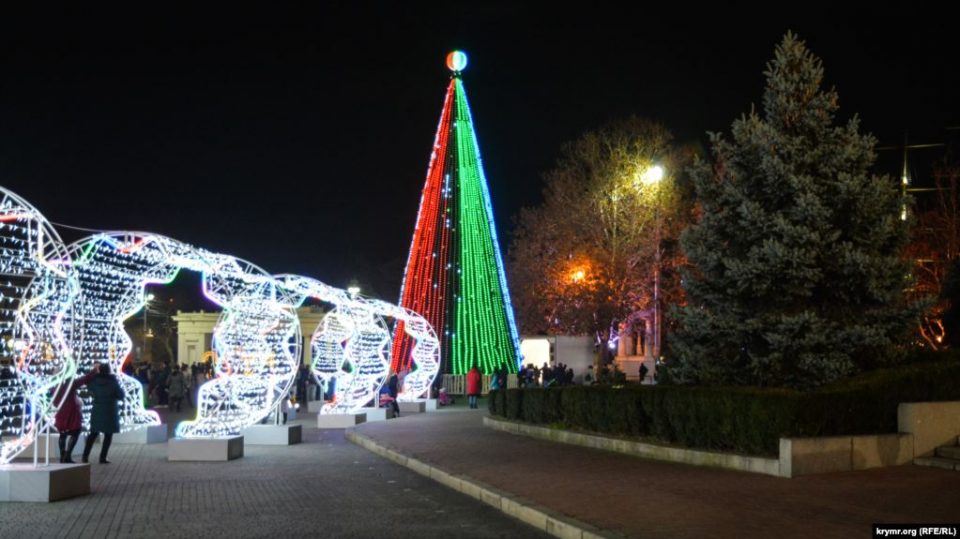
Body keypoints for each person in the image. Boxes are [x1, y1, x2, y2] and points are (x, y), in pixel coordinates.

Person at [80, 363, 125, 464]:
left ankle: (85, 456)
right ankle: (103, 457)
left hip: (98, 409)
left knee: (93, 434)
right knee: (108, 435)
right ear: (109, 370)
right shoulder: (113, 382)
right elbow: (121, 395)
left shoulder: (94, 381)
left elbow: (89, 389)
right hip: (110, 410)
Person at [52, 371, 95, 463]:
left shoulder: (55, 386)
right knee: (75, 432)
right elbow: (83, 379)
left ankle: (62, 456)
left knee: (62, 434)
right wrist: (94, 371)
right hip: (71, 412)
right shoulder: (70, 384)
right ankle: (67, 456)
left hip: (60, 411)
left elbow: (53, 401)